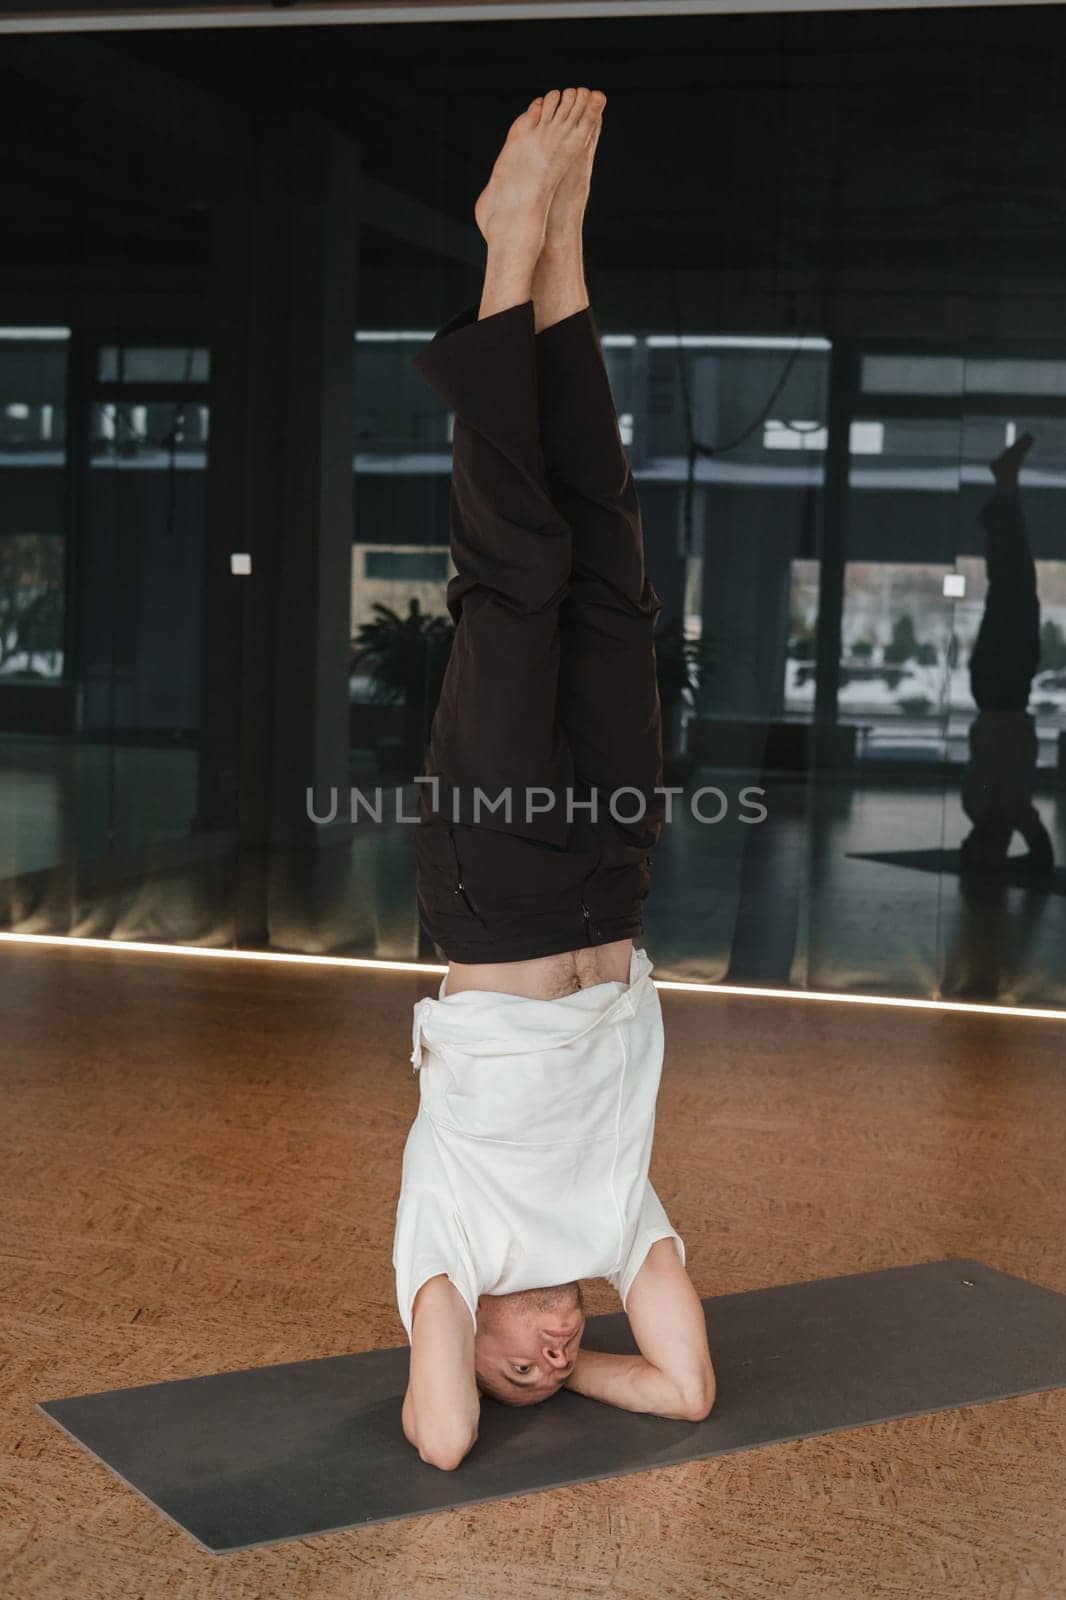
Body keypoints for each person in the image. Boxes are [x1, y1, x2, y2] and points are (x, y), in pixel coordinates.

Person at [392, 87, 716, 1473]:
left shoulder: (444, 1245)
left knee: (514, 586)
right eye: (552, 1370)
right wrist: (591, 1378)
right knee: (610, 581)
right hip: (605, 881)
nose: (542, 1357)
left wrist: (463, 1355)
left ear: (460, 1336)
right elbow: (688, 1392)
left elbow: (446, 1442)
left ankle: (503, 248)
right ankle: (567, 260)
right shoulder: (614, 1229)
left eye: (517, 1368)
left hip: (498, 892)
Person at [960, 431, 1054, 874]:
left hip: (1004, 689)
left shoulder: (1000, 810)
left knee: (1015, 587)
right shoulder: (989, 810)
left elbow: (1041, 852)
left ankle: (1005, 493)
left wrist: (1021, 843)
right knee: (1012, 587)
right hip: (997, 689)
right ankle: (1002, 500)